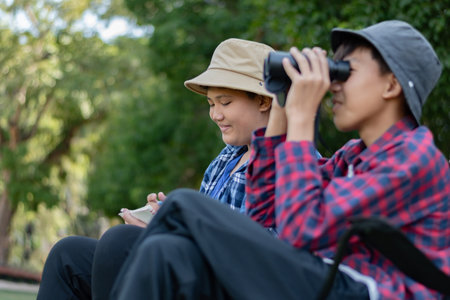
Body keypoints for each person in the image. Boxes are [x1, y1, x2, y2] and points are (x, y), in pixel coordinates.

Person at [110, 20, 449, 300]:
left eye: (347, 71)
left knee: (185, 204)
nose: (334, 86)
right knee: (167, 253)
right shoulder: (353, 156)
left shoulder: (414, 157)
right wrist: (283, 105)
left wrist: (302, 119)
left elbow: (300, 230)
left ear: (391, 84)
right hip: (336, 284)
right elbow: (265, 209)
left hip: (367, 292)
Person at [36, 38, 275, 300]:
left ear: (263, 101)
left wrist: (169, 235)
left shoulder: (288, 162)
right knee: (68, 255)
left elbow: (261, 255)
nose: (215, 114)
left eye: (225, 103)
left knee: (119, 242)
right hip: (192, 268)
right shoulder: (226, 159)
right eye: (211, 104)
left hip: (227, 287)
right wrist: (164, 222)